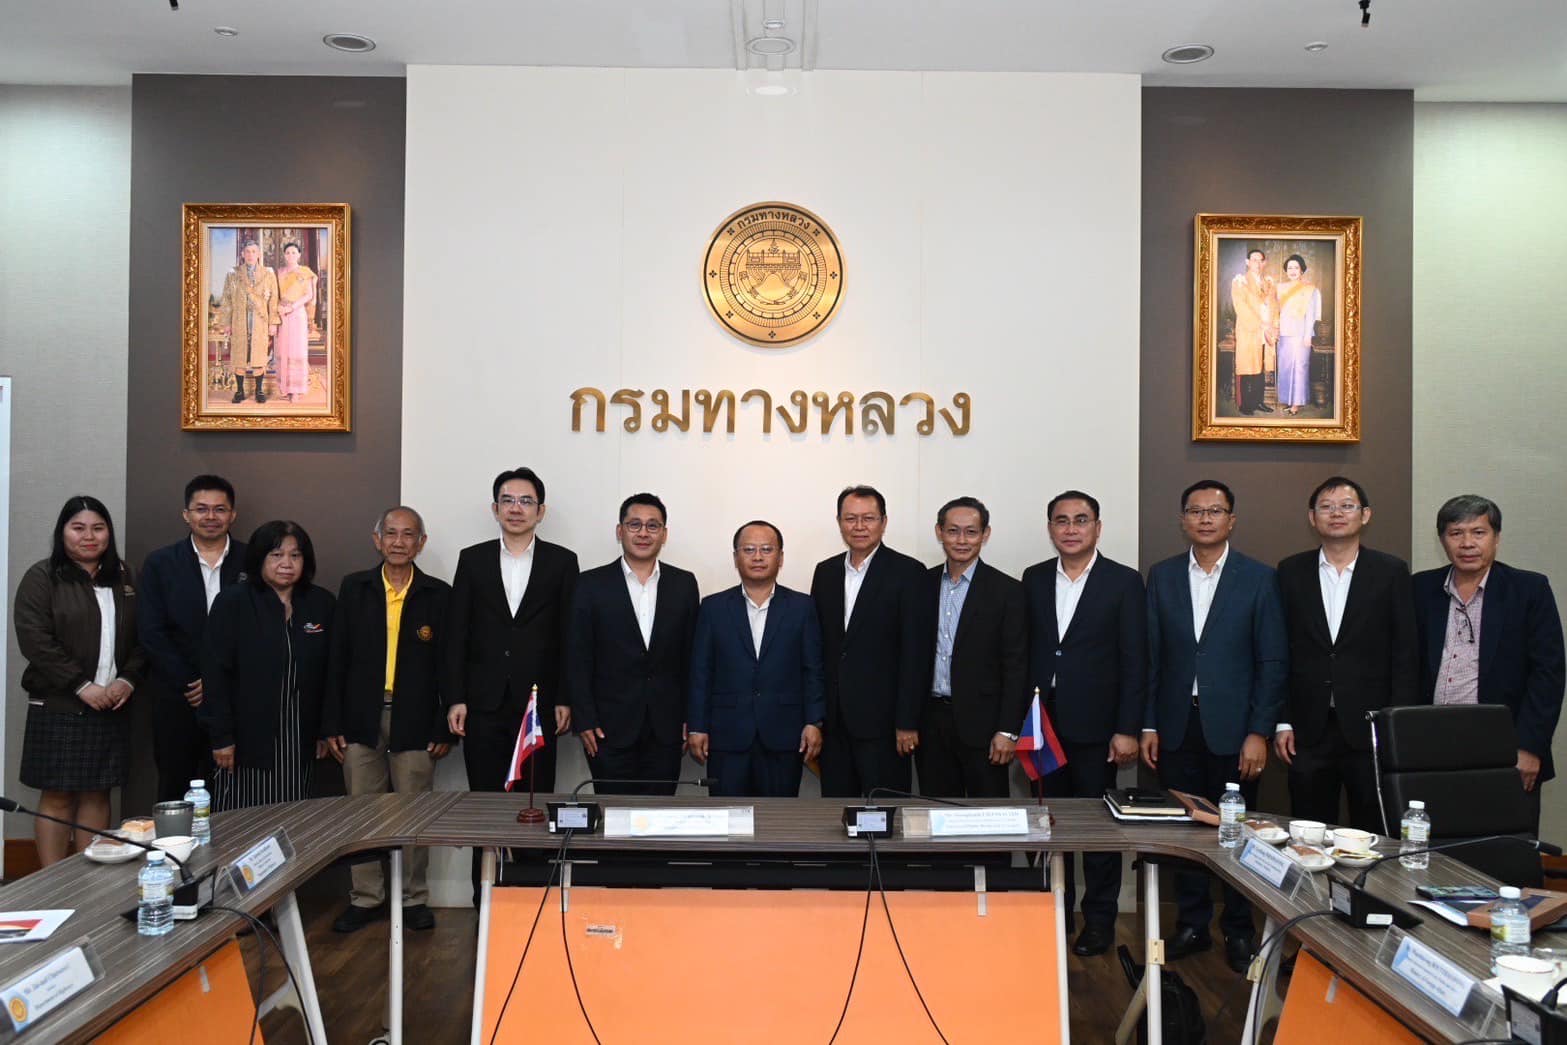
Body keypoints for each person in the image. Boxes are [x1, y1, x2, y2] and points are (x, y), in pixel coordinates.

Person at [1142, 480, 1286, 973]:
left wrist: (1259, 731)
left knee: (1236, 832)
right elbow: (1152, 657)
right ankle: (1193, 924)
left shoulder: (1259, 578)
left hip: (1235, 729)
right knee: (1186, 829)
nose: (1205, 519)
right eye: (1196, 511)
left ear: (1231, 520)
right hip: (1176, 724)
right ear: (1183, 519)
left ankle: (1239, 929)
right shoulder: (1162, 575)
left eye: (1215, 511)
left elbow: (1271, 661)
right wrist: (1148, 724)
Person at [1022, 490, 1146, 956]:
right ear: (1050, 528)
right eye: (1062, 520)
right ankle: (1054, 911)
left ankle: (1098, 921)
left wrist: (1127, 728)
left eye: (1081, 520)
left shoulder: (1123, 581)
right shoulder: (1034, 578)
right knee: (1046, 825)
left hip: (1098, 727)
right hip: (1043, 726)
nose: (1071, 529)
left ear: (1097, 527)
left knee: (1097, 830)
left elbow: (1135, 660)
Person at [323, 507, 452, 934]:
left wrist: (443, 726)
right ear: (376, 539)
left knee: (414, 812)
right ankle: (366, 897)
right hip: (360, 717)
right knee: (361, 812)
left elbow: (450, 666)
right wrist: (332, 723)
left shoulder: (438, 594)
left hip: (416, 719)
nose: (399, 542)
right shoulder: (355, 587)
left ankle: (413, 898)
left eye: (408, 534)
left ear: (421, 542)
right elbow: (337, 658)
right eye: (391, 533)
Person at [1413, 495, 1565, 833]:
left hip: (1505, 749)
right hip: (1432, 744)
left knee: (1505, 847)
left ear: (1496, 538)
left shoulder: (1529, 589)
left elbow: (1548, 674)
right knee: (1434, 843)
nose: (1467, 543)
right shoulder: (1421, 588)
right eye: (1456, 533)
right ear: (1442, 540)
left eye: (1478, 532)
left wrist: (1530, 746)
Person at [1274, 477, 1416, 832]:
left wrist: (1395, 723)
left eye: (1347, 506)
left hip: (1371, 727)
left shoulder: (1391, 571)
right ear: (1312, 517)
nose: (1336, 513)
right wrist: (1283, 720)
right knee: (1308, 830)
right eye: (1326, 507)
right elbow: (1279, 651)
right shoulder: (1290, 571)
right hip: (1308, 728)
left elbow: (1405, 653)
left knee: (1372, 831)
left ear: (1365, 515)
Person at [14, 496, 146, 866]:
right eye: (78, 528)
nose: (89, 536)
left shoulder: (126, 576)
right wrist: (81, 685)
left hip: (111, 702)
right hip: (60, 703)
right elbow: (35, 640)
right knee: (58, 795)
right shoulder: (42, 576)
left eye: (98, 528)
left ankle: (89, 880)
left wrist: (128, 680)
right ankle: (54, 879)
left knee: (97, 792)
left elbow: (145, 637)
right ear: (62, 532)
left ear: (109, 533)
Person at [445, 468, 579, 798]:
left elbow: (570, 636)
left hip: (539, 703)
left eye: (526, 501)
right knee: (485, 798)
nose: (516, 508)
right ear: (495, 509)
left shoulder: (562, 562)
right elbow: (457, 634)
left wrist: (564, 697)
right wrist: (456, 698)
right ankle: (488, 839)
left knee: (535, 797)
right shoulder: (472, 559)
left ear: (540, 511)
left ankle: (533, 840)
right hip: (482, 703)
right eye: (507, 501)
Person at [566, 494, 700, 795]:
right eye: (634, 524)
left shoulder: (683, 584)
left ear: (664, 534)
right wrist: (584, 718)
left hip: (667, 728)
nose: (643, 533)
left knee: (659, 816)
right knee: (613, 814)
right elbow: (577, 656)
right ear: (620, 531)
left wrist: (690, 717)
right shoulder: (590, 584)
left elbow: (692, 657)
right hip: (607, 729)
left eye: (653, 526)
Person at [201, 521, 335, 810]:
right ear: (259, 558)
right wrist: (221, 737)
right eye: (276, 555)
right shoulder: (233, 602)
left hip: (300, 735)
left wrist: (324, 730)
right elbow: (215, 675)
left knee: (296, 815)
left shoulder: (321, 603)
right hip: (247, 738)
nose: (286, 563)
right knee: (248, 819)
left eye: (295, 555)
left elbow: (331, 674)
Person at [687, 521, 824, 797]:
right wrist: (697, 726)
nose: (758, 557)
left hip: (785, 734)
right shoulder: (713, 607)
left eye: (766, 550)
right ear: (736, 557)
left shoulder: (802, 607)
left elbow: (813, 670)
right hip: (727, 735)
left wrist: (814, 721)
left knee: (778, 816)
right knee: (728, 815)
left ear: (780, 557)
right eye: (749, 549)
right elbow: (701, 671)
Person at [809, 485, 926, 798]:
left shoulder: (908, 572)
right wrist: (816, 717)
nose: (859, 526)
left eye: (868, 518)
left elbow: (915, 653)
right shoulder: (826, 572)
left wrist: (907, 721)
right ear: (839, 522)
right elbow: (819, 648)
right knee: (837, 810)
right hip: (834, 724)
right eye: (850, 518)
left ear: (883, 522)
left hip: (885, 726)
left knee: (885, 811)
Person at [137, 475, 246, 803]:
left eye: (219, 509)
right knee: (176, 784)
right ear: (186, 514)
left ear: (233, 515)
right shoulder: (160, 563)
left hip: (236, 697)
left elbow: (259, 630)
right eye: (201, 509)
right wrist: (192, 681)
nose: (210, 516)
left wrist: (219, 682)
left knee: (234, 791)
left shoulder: (252, 561)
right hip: (178, 697)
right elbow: (151, 632)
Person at [915, 496, 1026, 799]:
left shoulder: (1007, 591)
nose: (961, 540)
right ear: (939, 532)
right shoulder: (920, 584)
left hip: (985, 728)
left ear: (985, 534)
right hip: (930, 723)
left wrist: (1008, 730)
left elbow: (1016, 666)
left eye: (971, 532)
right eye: (953, 531)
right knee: (936, 811)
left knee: (988, 816)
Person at [215, 240, 280, 404]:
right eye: (247, 252)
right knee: (239, 355)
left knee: (259, 355)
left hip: (260, 320)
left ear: (259, 254)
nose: (250, 255)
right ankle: (239, 391)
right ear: (243, 254)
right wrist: (227, 323)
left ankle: (259, 391)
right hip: (239, 320)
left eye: (253, 251)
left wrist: (273, 322)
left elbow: (274, 299)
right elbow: (227, 299)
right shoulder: (233, 274)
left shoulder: (268, 274)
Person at [1230, 248, 1277, 416]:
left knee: (1261, 367)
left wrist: (1273, 325)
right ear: (1247, 262)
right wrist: (1260, 323)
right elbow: (1240, 306)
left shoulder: (1268, 282)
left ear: (1264, 263)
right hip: (1250, 329)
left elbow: (1274, 305)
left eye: (1260, 260)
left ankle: (1259, 401)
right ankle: (1246, 404)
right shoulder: (1240, 281)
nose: (1257, 263)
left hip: (1266, 331)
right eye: (1254, 260)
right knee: (1248, 367)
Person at [1274, 254, 1321, 415]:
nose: (1292, 271)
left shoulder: (1309, 290)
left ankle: (1297, 403)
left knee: (1299, 368)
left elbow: (1311, 314)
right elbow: (1275, 311)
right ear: (1286, 271)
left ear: (1301, 270)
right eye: (1289, 268)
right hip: (1284, 334)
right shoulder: (1280, 288)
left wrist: (1308, 335)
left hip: (1301, 334)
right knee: (1286, 367)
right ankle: (1289, 400)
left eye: (1296, 267)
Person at [274, 241, 315, 402]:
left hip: (297, 314)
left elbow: (308, 295)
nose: (290, 255)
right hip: (282, 314)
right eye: (287, 252)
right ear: (284, 255)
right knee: (283, 349)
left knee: (297, 350)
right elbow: (275, 294)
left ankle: (296, 390)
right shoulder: (279, 272)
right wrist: (279, 308)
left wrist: (291, 307)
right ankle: (284, 386)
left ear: (299, 255)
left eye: (293, 252)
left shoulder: (305, 272)